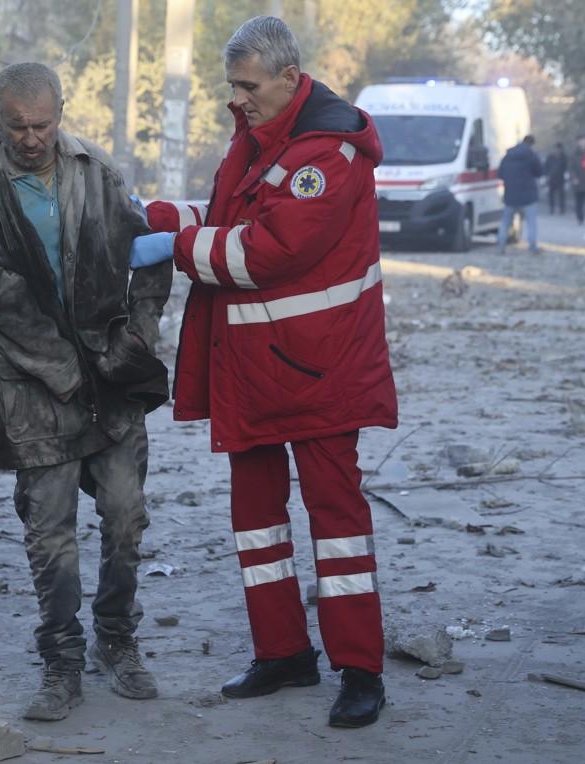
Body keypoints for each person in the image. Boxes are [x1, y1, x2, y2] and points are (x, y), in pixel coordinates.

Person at [138, 16, 398, 729]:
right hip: (255, 373)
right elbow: (229, 214)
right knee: (256, 521)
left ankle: (359, 669)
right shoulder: (262, 137)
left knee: (336, 523)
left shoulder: (329, 154)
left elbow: (267, 248)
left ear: (290, 78)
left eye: (249, 86)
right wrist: (156, 215)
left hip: (319, 373)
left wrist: (175, 245)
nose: (240, 98)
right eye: (233, 87)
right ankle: (282, 651)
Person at [0, 62, 172, 723]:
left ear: (62, 114)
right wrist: (72, 372)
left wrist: (137, 339)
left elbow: (149, 257)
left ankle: (118, 638)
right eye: (18, 126)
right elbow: (1, 298)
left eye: (43, 124)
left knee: (126, 516)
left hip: (113, 374)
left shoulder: (96, 170)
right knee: (50, 531)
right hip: (32, 387)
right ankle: (61, 659)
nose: (32, 138)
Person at [496, 135, 543, 254]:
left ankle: (500, 246)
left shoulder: (507, 156)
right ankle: (532, 246)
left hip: (510, 195)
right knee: (531, 222)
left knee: (505, 221)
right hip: (528, 195)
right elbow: (539, 172)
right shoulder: (532, 156)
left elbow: (500, 174)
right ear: (531, 144)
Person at [569, 135, 585, 225]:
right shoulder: (574, 153)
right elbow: (571, 168)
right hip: (578, 182)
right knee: (579, 202)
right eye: (581, 141)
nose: (583, 143)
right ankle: (580, 218)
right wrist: (574, 178)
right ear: (578, 142)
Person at [544, 142, 567, 215]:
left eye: (558, 149)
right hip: (551, 178)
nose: (557, 150)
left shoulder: (564, 157)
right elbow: (546, 167)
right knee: (551, 194)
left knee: (561, 194)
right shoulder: (550, 157)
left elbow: (566, 167)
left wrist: (566, 176)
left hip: (561, 178)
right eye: (556, 149)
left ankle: (562, 208)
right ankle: (552, 207)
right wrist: (546, 176)